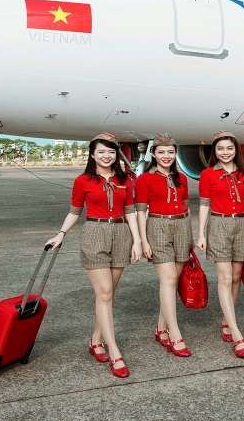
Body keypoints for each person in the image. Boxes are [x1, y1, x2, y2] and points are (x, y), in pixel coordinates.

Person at [45, 132, 142, 378]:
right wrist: (61, 234)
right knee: (105, 292)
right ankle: (114, 351)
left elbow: (130, 211)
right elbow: (74, 211)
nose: (106, 156)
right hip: (95, 233)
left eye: (111, 152)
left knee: (108, 295)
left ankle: (95, 340)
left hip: (121, 234)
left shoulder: (124, 179)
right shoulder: (83, 181)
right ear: (92, 154)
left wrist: (138, 240)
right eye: (101, 152)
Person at [197, 131, 244, 359]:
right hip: (218, 224)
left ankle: (226, 320)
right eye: (220, 149)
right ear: (214, 151)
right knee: (225, 277)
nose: (225, 152)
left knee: (236, 277)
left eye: (229, 148)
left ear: (236, 150)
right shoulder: (208, 174)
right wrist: (201, 234)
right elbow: (204, 205)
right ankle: (237, 333)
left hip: (242, 224)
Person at [135, 133, 193, 358]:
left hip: (182, 226)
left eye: (170, 152)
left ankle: (160, 328)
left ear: (175, 154)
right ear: (153, 154)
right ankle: (174, 333)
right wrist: (143, 240)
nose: (166, 156)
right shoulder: (145, 179)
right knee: (168, 279)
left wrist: (189, 234)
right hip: (157, 226)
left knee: (173, 281)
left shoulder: (182, 179)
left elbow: (186, 206)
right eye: (161, 152)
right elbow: (141, 212)